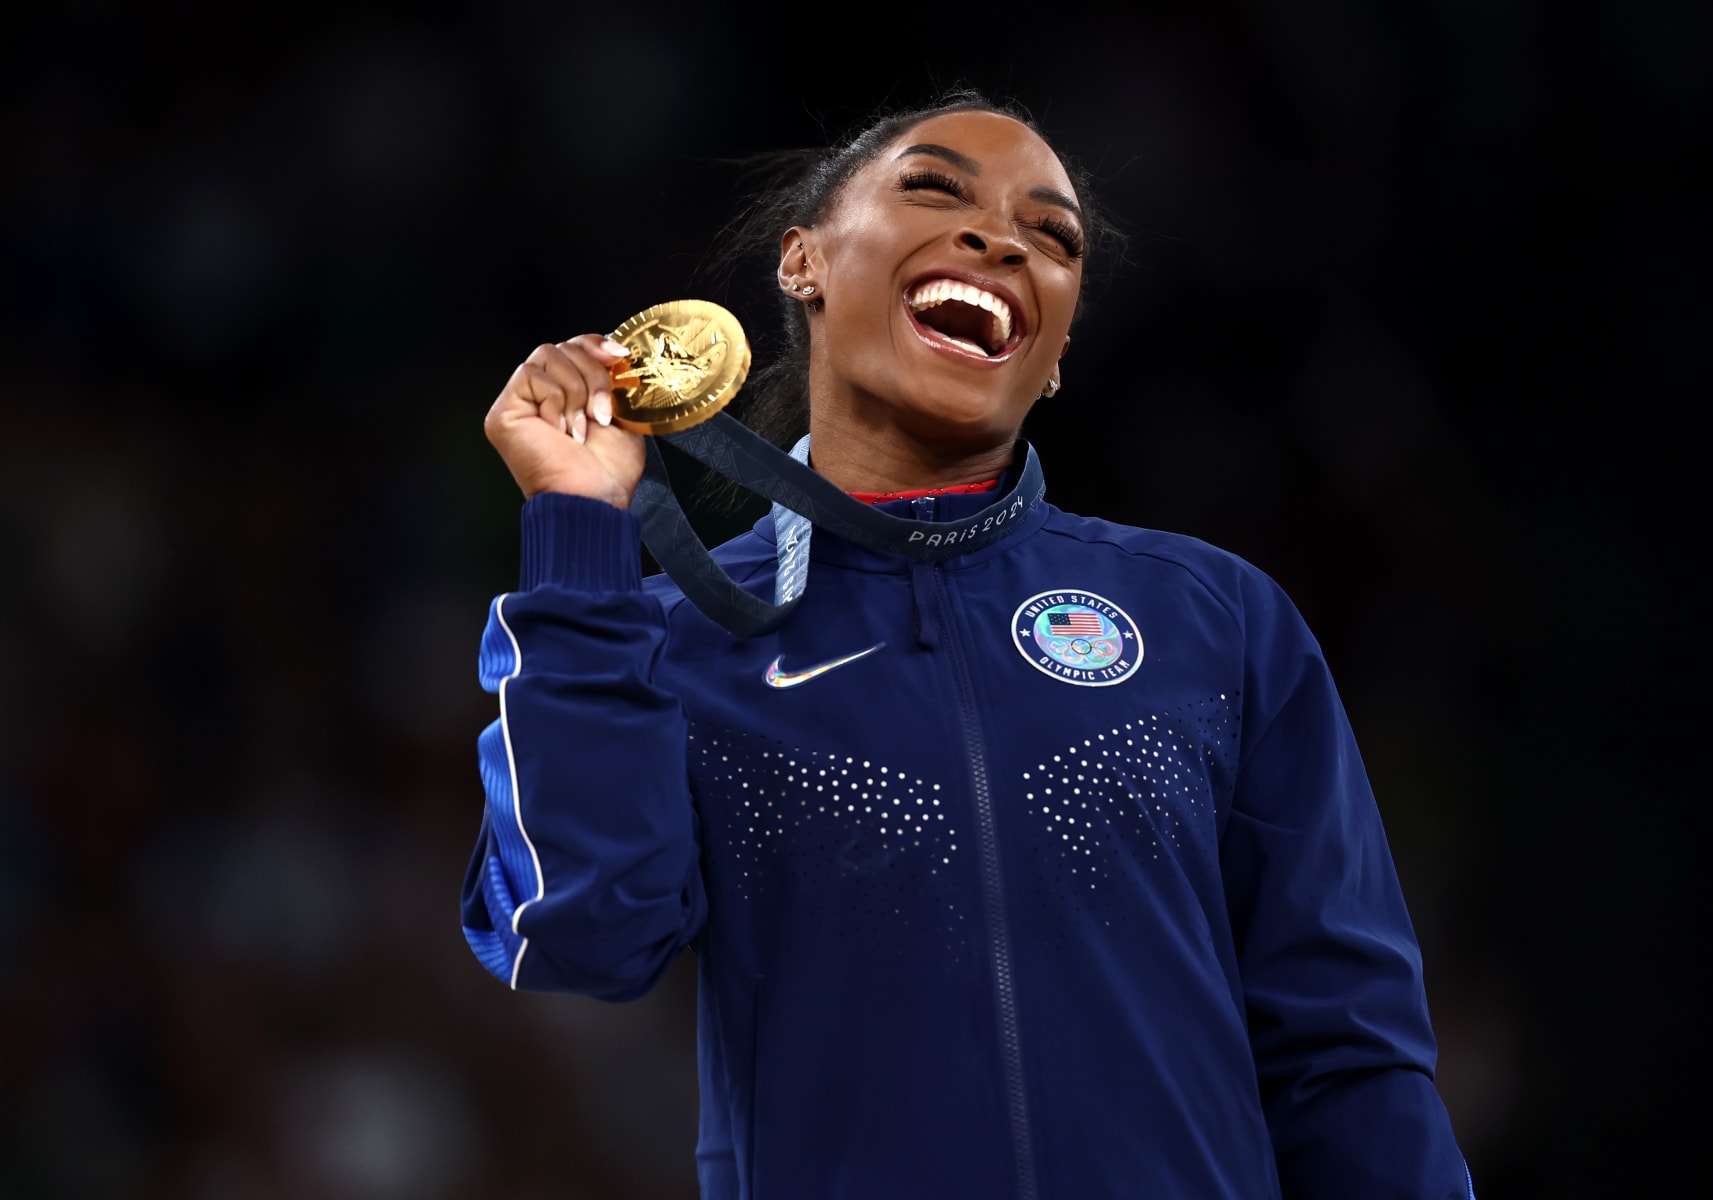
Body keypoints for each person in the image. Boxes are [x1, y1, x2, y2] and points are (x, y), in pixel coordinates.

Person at [461, 88, 1476, 1199]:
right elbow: (582, 933)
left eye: (1054, 237)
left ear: (1055, 350)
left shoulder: (1211, 618)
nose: (1001, 237)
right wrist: (578, 533)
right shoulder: (671, 641)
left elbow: (1350, 1056)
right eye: (934, 189)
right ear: (802, 262)